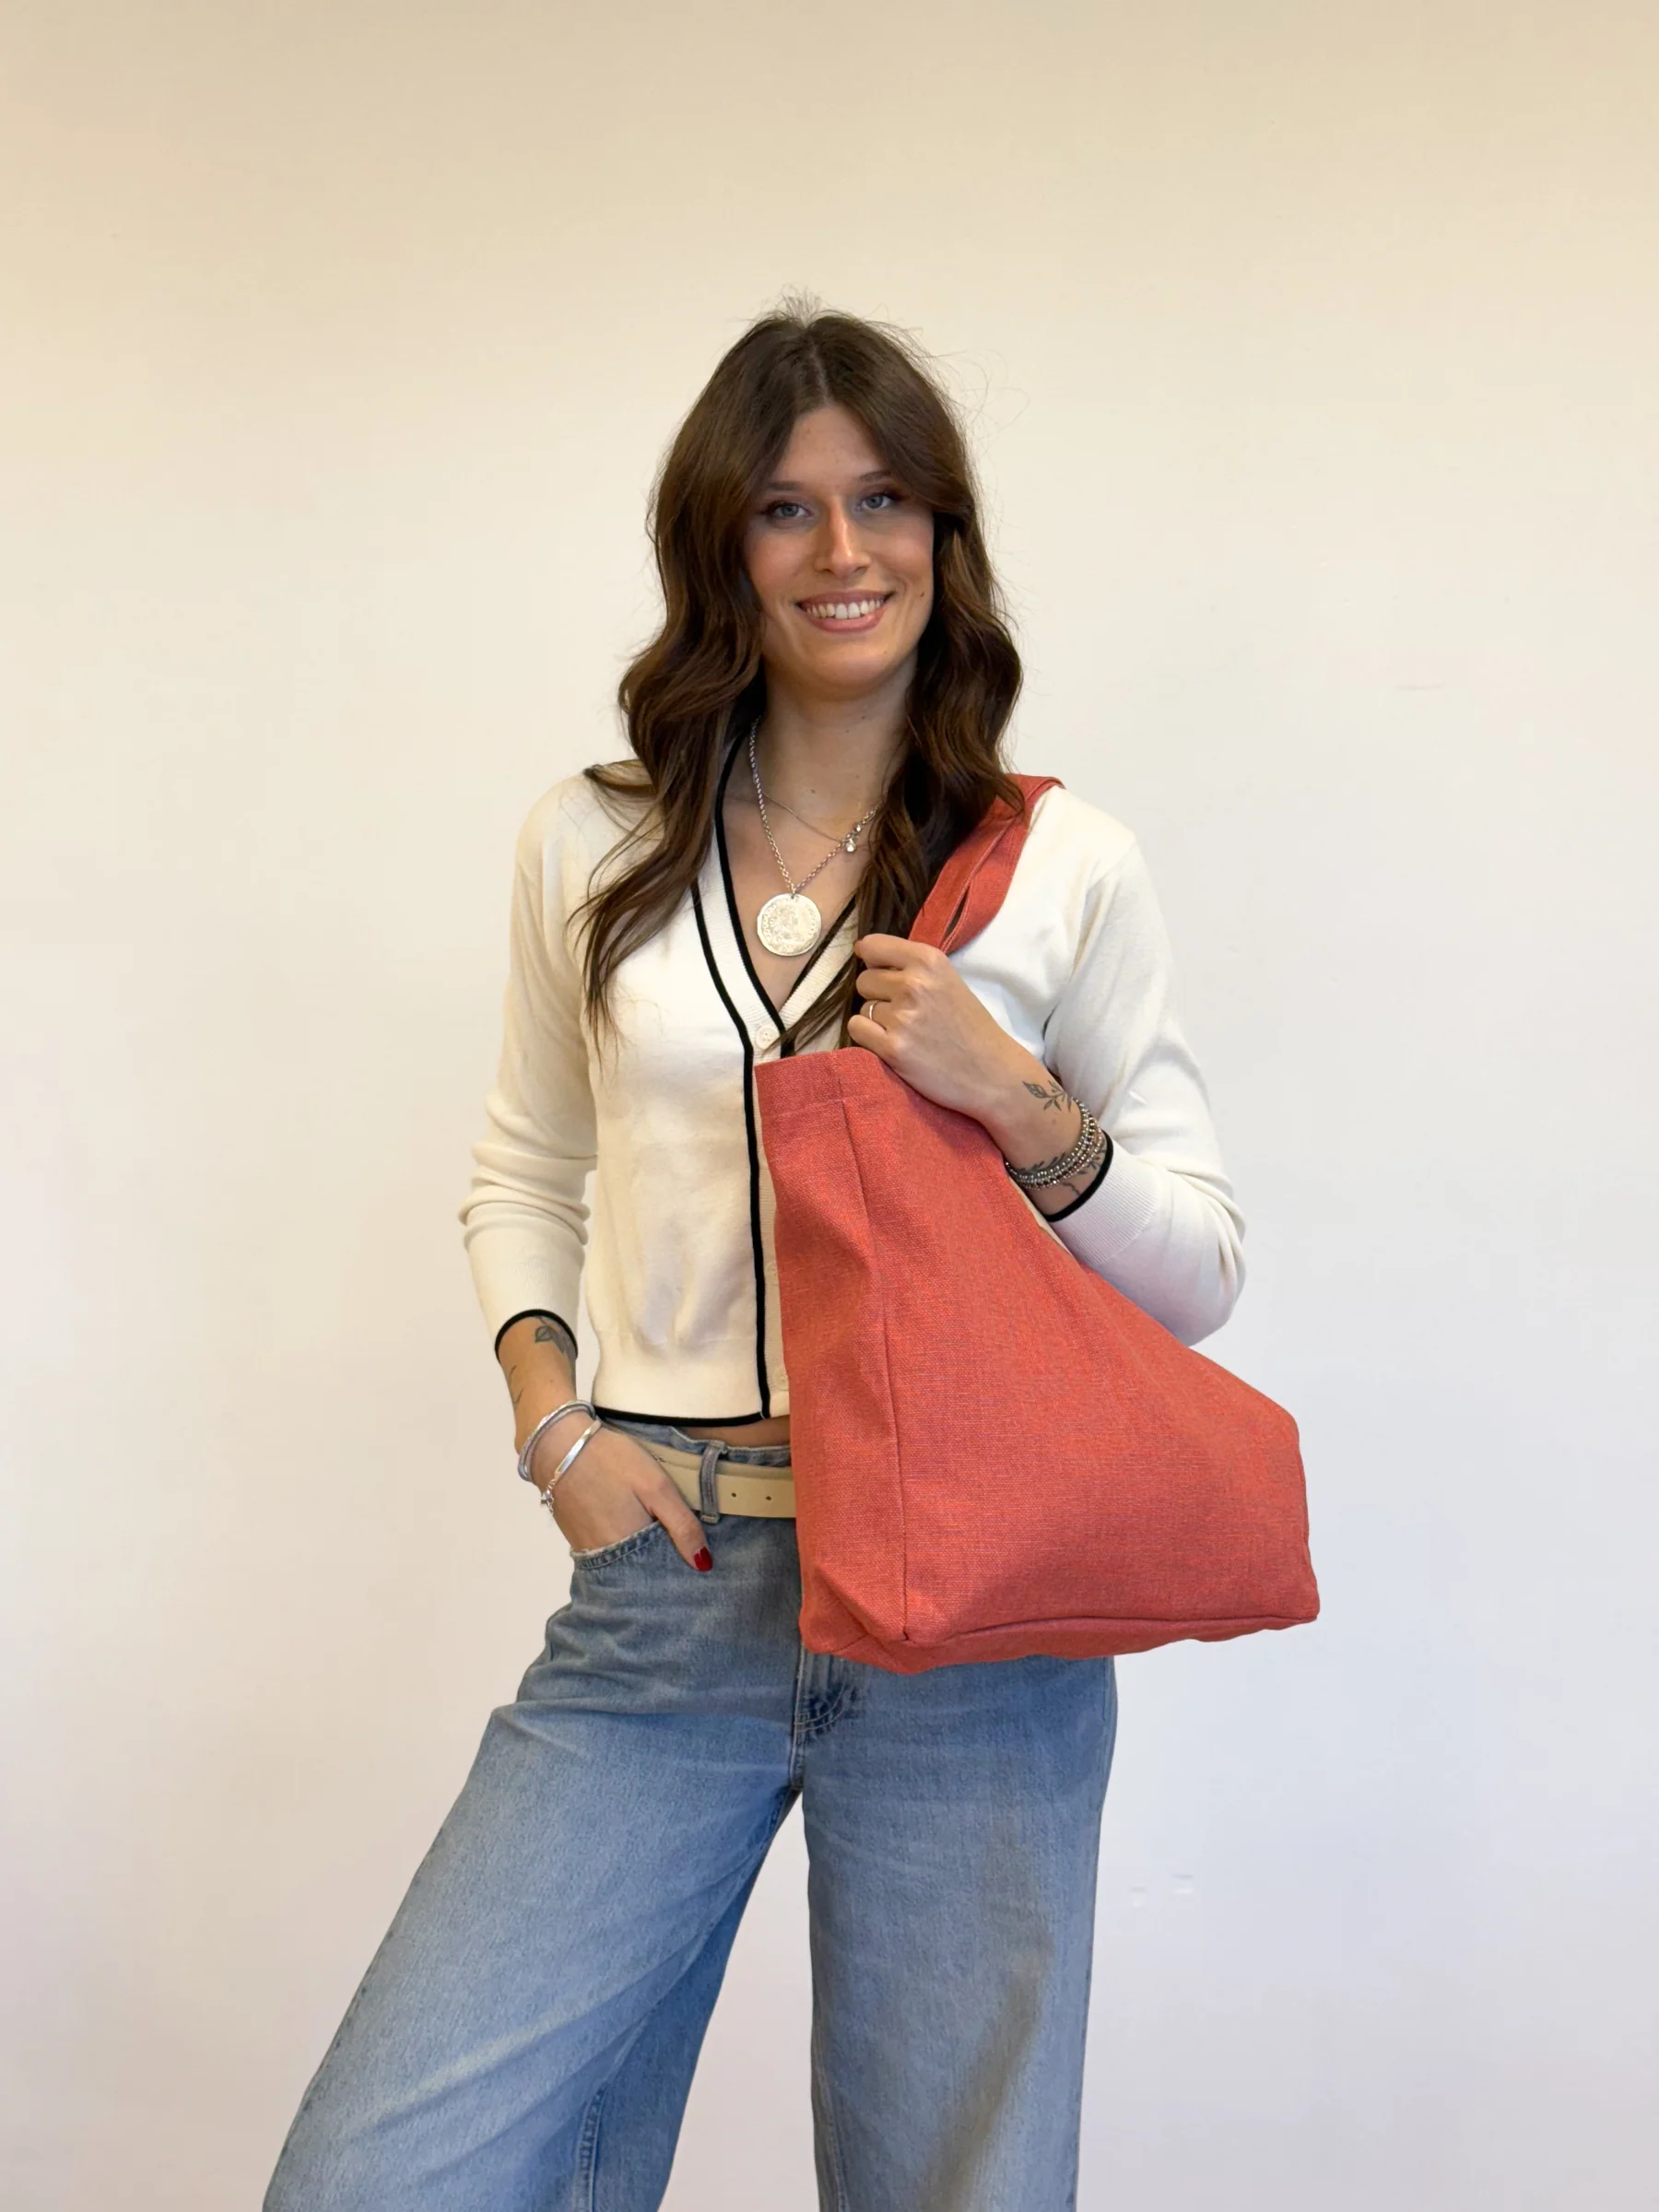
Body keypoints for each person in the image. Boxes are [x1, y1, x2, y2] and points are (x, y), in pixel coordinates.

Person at [264, 302, 1245, 2211]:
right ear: (723, 544)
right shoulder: (593, 842)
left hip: (974, 1608)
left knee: (954, 2185)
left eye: (885, 501)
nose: (843, 550)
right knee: (384, 2172)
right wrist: (554, 1428)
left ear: (944, 534)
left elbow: (1198, 1271)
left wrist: (1016, 1096)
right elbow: (526, 1164)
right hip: (675, 1577)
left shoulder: (1062, 867)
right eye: (787, 509)